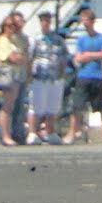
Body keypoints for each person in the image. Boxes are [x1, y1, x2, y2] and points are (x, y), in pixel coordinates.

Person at [64, 7, 102, 146]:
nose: (84, 23)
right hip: (83, 76)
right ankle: (71, 134)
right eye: (82, 20)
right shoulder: (81, 40)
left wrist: (89, 54)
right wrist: (92, 55)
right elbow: (78, 58)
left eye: (86, 20)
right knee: (77, 106)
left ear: (92, 21)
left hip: (97, 76)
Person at [27, 10, 71, 145]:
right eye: (43, 20)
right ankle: (32, 133)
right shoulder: (35, 39)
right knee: (36, 106)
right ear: (40, 22)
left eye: (47, 20)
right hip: (39, 77)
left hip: (55, 78)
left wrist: (61, 75)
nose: (45, 23)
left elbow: (64, 58)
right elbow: (29, 59)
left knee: (52, 106)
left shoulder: (58, 40)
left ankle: (50, 132)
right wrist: (29, 76)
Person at [0, 12, 30, 146]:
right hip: (8, 76)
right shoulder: (3, 40)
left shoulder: (16, 40)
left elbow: (25, 56)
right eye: (9, 25)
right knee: (7, 107)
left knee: (16, 107)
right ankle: (5, 135)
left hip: (18, 76)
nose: (11, 28)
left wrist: (20, 58)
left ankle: (13, 133)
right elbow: (12, 57)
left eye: (13, 25)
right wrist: (20, 58)